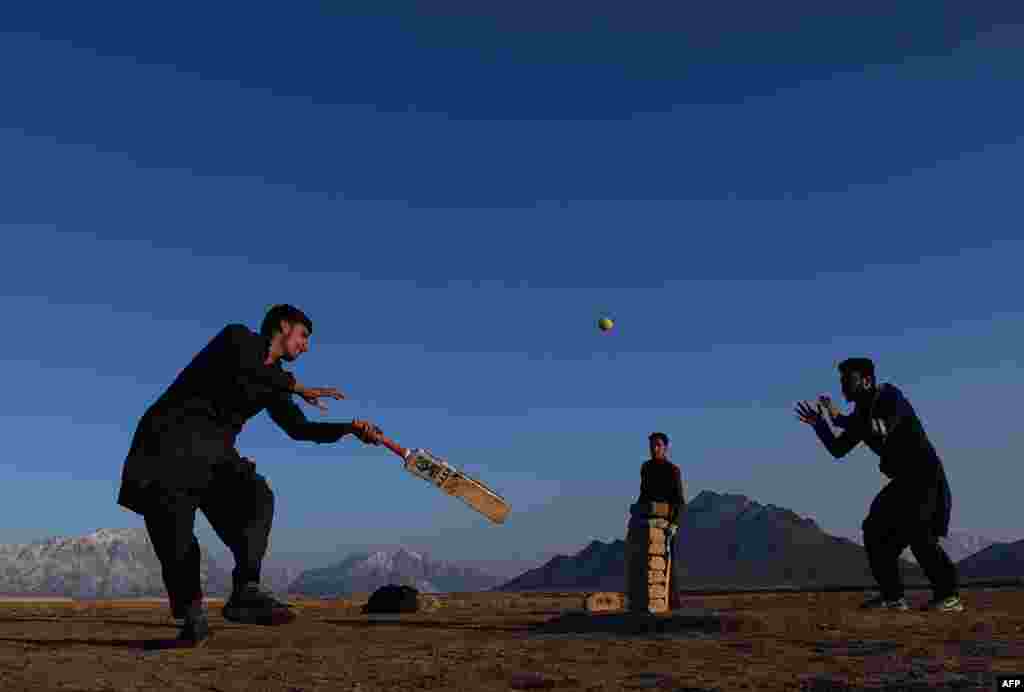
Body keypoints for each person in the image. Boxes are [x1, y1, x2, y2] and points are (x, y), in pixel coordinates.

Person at [117, 304, 384, 646]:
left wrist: (349, 429)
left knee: (256, 497)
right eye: (303, 336)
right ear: (283, 326)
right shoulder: (236, 339)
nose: (306, 346)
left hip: (213, 455)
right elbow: (250, 364)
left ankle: (246, 590)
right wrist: (298, 387)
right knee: (177, 536)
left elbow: (299, 428)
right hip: (167, 445)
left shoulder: (274, 382)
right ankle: (193, 618)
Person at [795, 357, 962, 613]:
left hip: (925, 477)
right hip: (903, 482)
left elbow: (881, 428)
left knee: (919, 534)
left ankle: (949, 596)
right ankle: (893, 597)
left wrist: (840, 418)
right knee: (874, 530)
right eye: (841, 381)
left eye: (847, 380)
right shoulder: (862, 413)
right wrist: (820, 425)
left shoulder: (889, 396)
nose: (843, 387)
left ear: (866, 380)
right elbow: (838, 449)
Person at [636, 432, 687, 610]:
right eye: (652, 445)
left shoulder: (672, 470)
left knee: (670, 565)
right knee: (644, 563)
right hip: (648, 523)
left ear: (665, 448)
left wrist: (674, 524)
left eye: (658, 445)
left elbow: (680, 501)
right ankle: (643, 603)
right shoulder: (646, 468)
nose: (654, 448)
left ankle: (673, 604)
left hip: (666, 523)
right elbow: (643, 495)